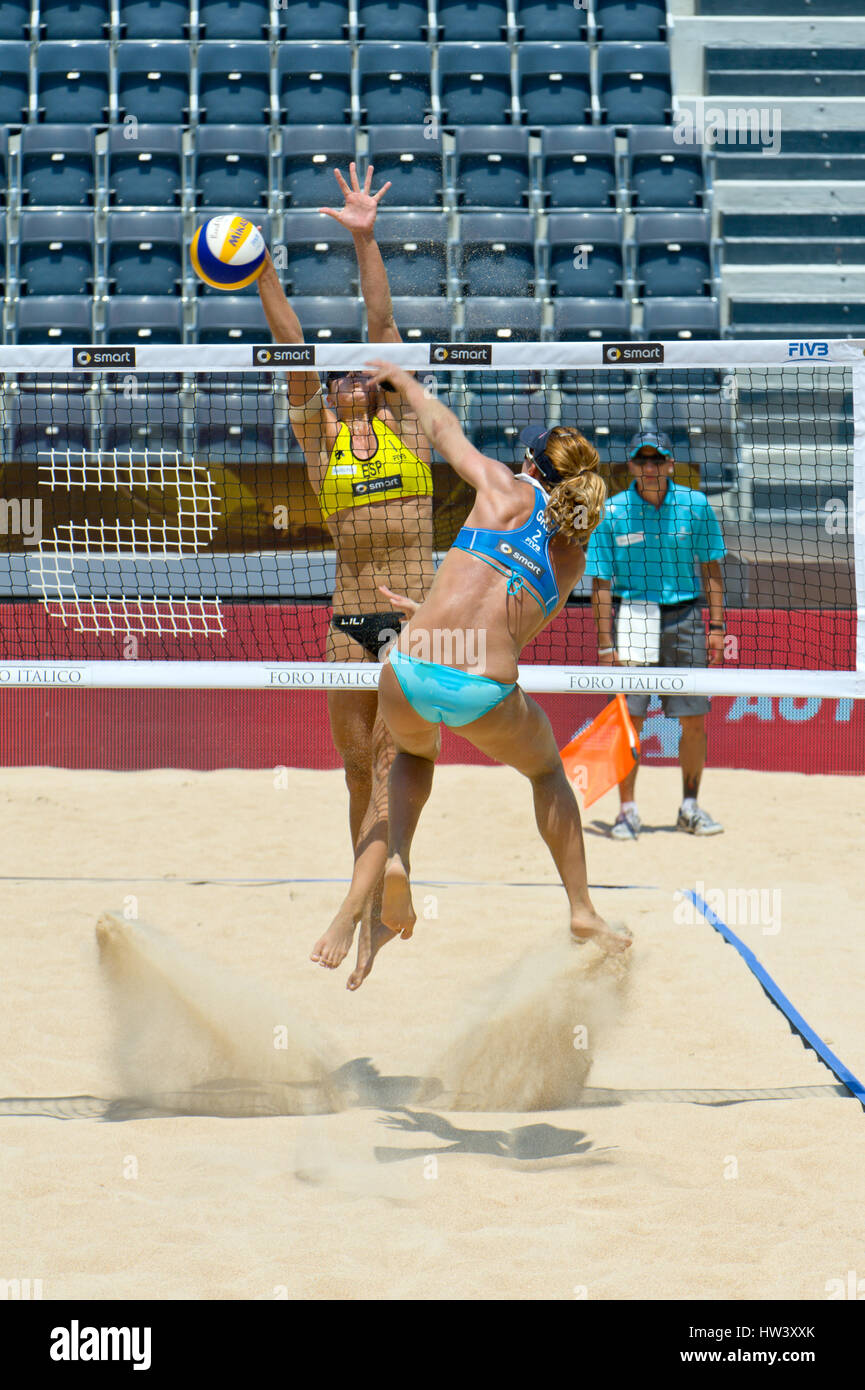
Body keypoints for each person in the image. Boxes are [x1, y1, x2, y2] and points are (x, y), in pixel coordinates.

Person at [329, 359, 633, 988]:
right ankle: (580, 910)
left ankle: (402, 859)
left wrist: (405, 382)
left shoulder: (501, 487)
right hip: (480, 688)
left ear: (533, 466)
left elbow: (442, 431)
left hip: (407, 668)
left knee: (415, 755)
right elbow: (512, 629)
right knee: (547, 771)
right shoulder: (570, 556)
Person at [255, 164, 436, 974]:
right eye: (340, 373)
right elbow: (291, 344)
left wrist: (364, 237)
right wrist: (261, 271)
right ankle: (375, 899)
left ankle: (353, 914)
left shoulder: (406, 419)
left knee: (395, 772)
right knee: (356, 771)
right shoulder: (319, 440)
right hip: (345, 623)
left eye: (362, 368)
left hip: (414, 617)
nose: (349, 374)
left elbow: (382, 315)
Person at [585, 430, 727, 839]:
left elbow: (712, 568)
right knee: (629, 721)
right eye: (642, 461)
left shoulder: (695, 506)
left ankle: (689, 806)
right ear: (631, 466)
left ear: (669, 464)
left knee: (695, 720)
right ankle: (627, 811)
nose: (650, 468)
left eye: (657, 460)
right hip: (634, 618)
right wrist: (605, 643)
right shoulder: (611, 513)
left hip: (685, 615)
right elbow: (600, 583)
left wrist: (717, 627)